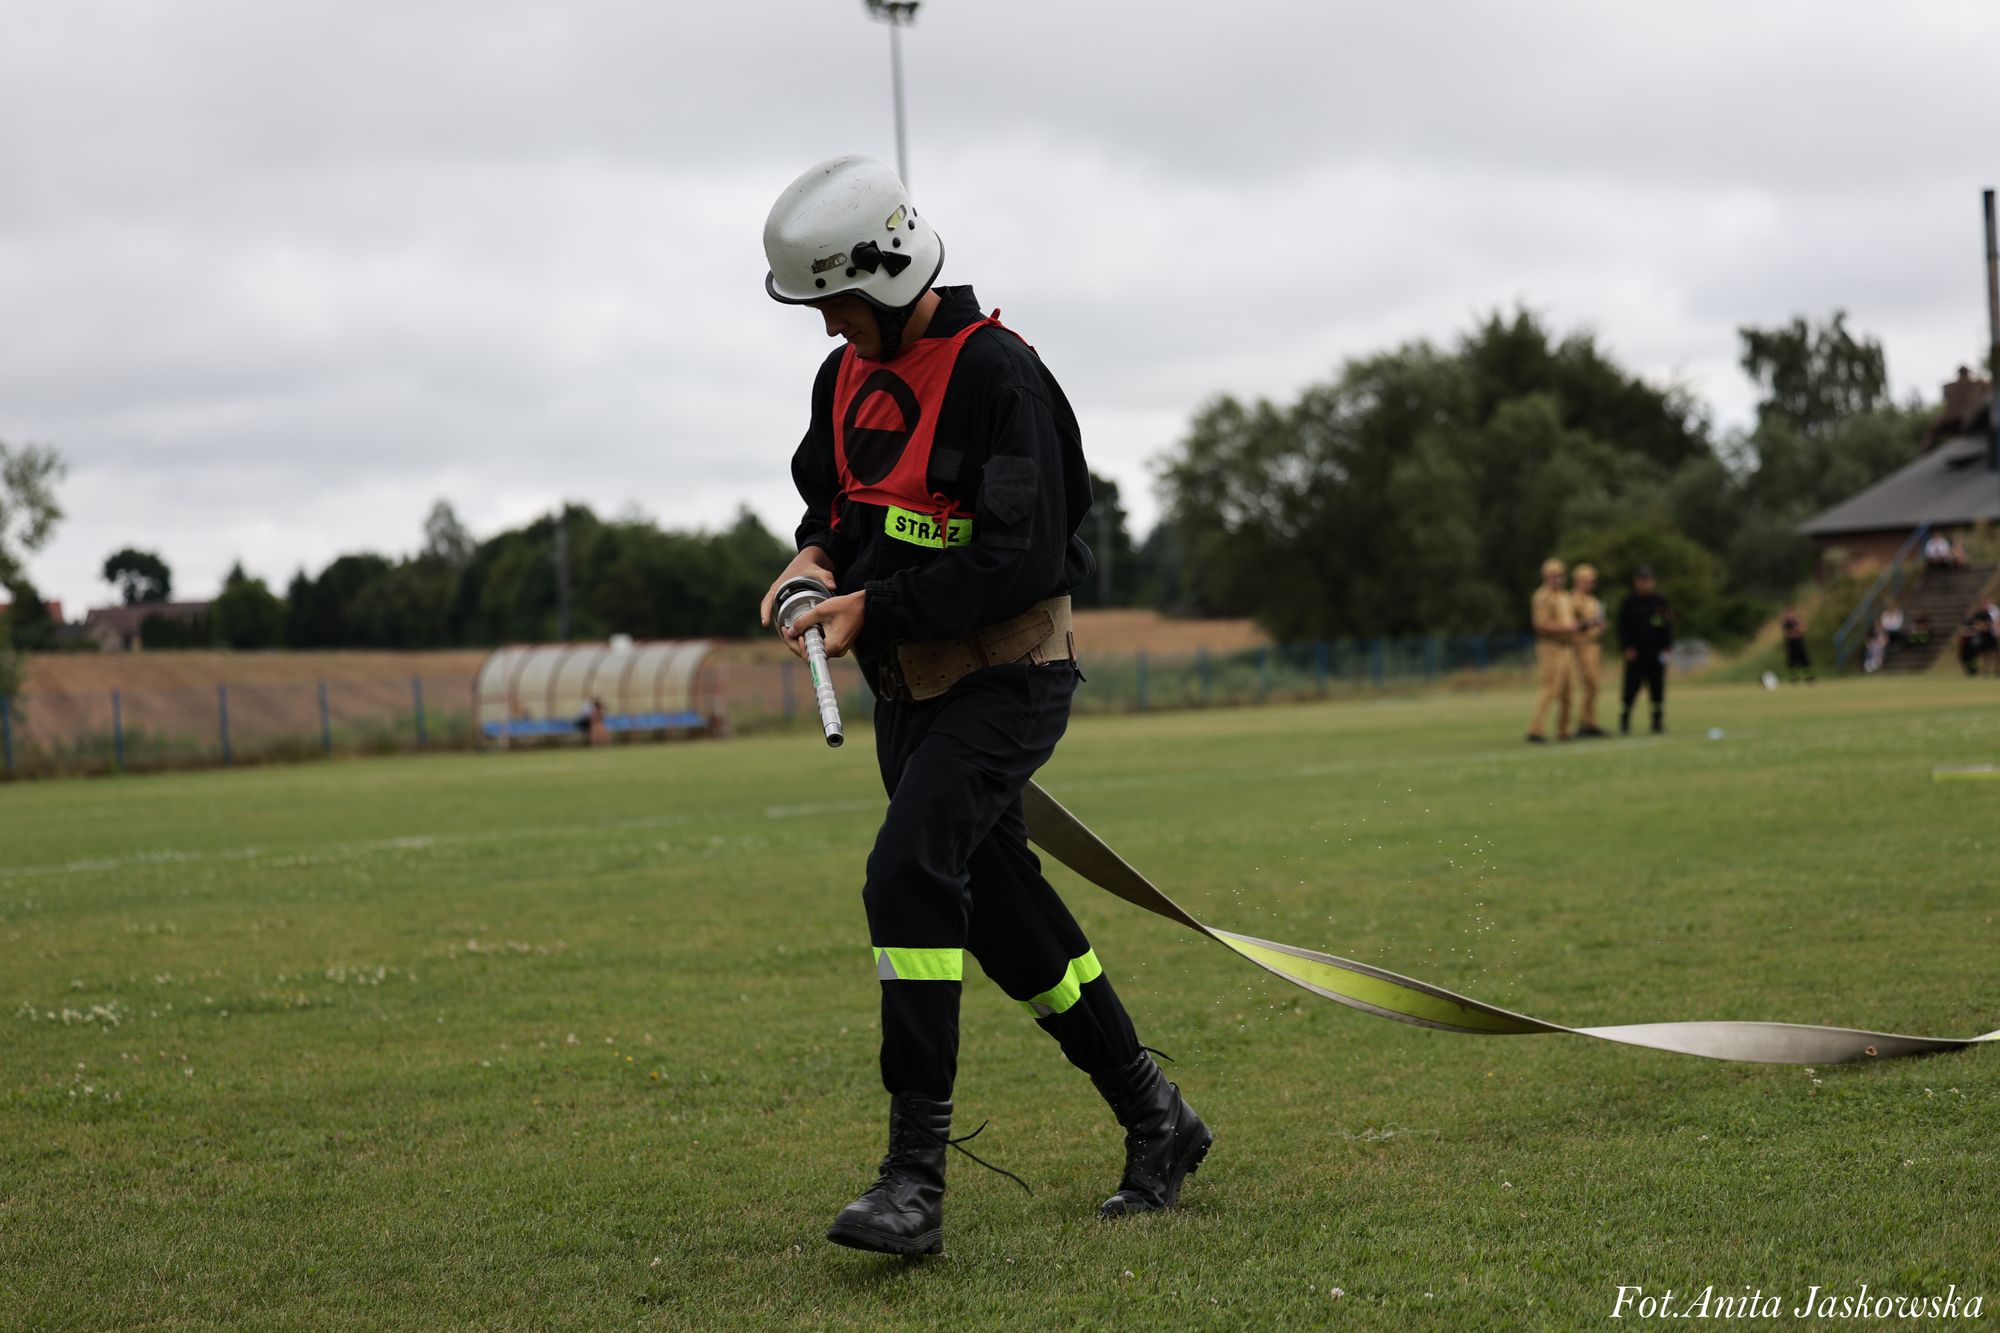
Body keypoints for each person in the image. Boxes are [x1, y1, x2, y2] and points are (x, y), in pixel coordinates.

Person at [757, 155, 1210, 1256]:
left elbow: (1022, 561)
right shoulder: (843, 379)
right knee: (1005, 919)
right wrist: (812, 564)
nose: (827, 331)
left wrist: (872, 604)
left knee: (906, 872)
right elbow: (833, 500)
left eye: (837, 305)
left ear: (889, 267)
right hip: (909, 690)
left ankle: (912, 1180)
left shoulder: (1002, 377)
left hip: (1008, 678)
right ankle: (1158, 1116)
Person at [1525, 557, 1575, 743]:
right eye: (1553, 576)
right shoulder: (1542, 597)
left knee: (1568, 690)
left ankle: (1564, 729)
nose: (1557, 579)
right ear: (1546, 577)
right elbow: (1541, 625)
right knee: (1550, 688)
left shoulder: (1565, 596)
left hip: (1566, 647)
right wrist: (1567, 628)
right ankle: (1536, 730)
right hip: (1550, 647)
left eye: (1560, 575)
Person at [1617, 567, 1672, 734]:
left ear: (1653, 582)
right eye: (1641, 580)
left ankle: (1657, 722)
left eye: (1648, 580)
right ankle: (1625, 722)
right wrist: (1627, 647)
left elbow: (1667, 626)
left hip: (1655, 653)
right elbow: (1622, 628)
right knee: (1630, 688)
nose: (1645, 584)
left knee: (1657, 688)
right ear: (1636, 582)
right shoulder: (1628, 603)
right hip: (1635, 654)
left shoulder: (1660, 602)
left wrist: (1667, 648)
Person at [1569, 563, 1609, 737]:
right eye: (1587, 581)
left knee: (1595, 685)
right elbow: (1573, 625)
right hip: (1581, 646)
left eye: (1593, 581)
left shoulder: (1594, 601)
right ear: (1579, 581)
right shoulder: (1572, 600)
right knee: (1590, 683)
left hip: (1594, 646)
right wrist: (1592, 624)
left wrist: (1600, 627)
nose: (1591, 584)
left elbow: (1598, 621)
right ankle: (1584, 723)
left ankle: (1590, 722)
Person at [1781, 608, 1814, 683]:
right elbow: (1786, 632)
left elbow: (1802, 630)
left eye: (1790, 613)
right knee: (1791, 661)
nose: (1789, 615)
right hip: (1791, 643)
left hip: (1798, 642)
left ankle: (1808, 677)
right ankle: (1793, 678)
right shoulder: (1786, 623)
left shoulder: (1797, 621)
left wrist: (1795, 627)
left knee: (1804, 659)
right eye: (1788, 614)